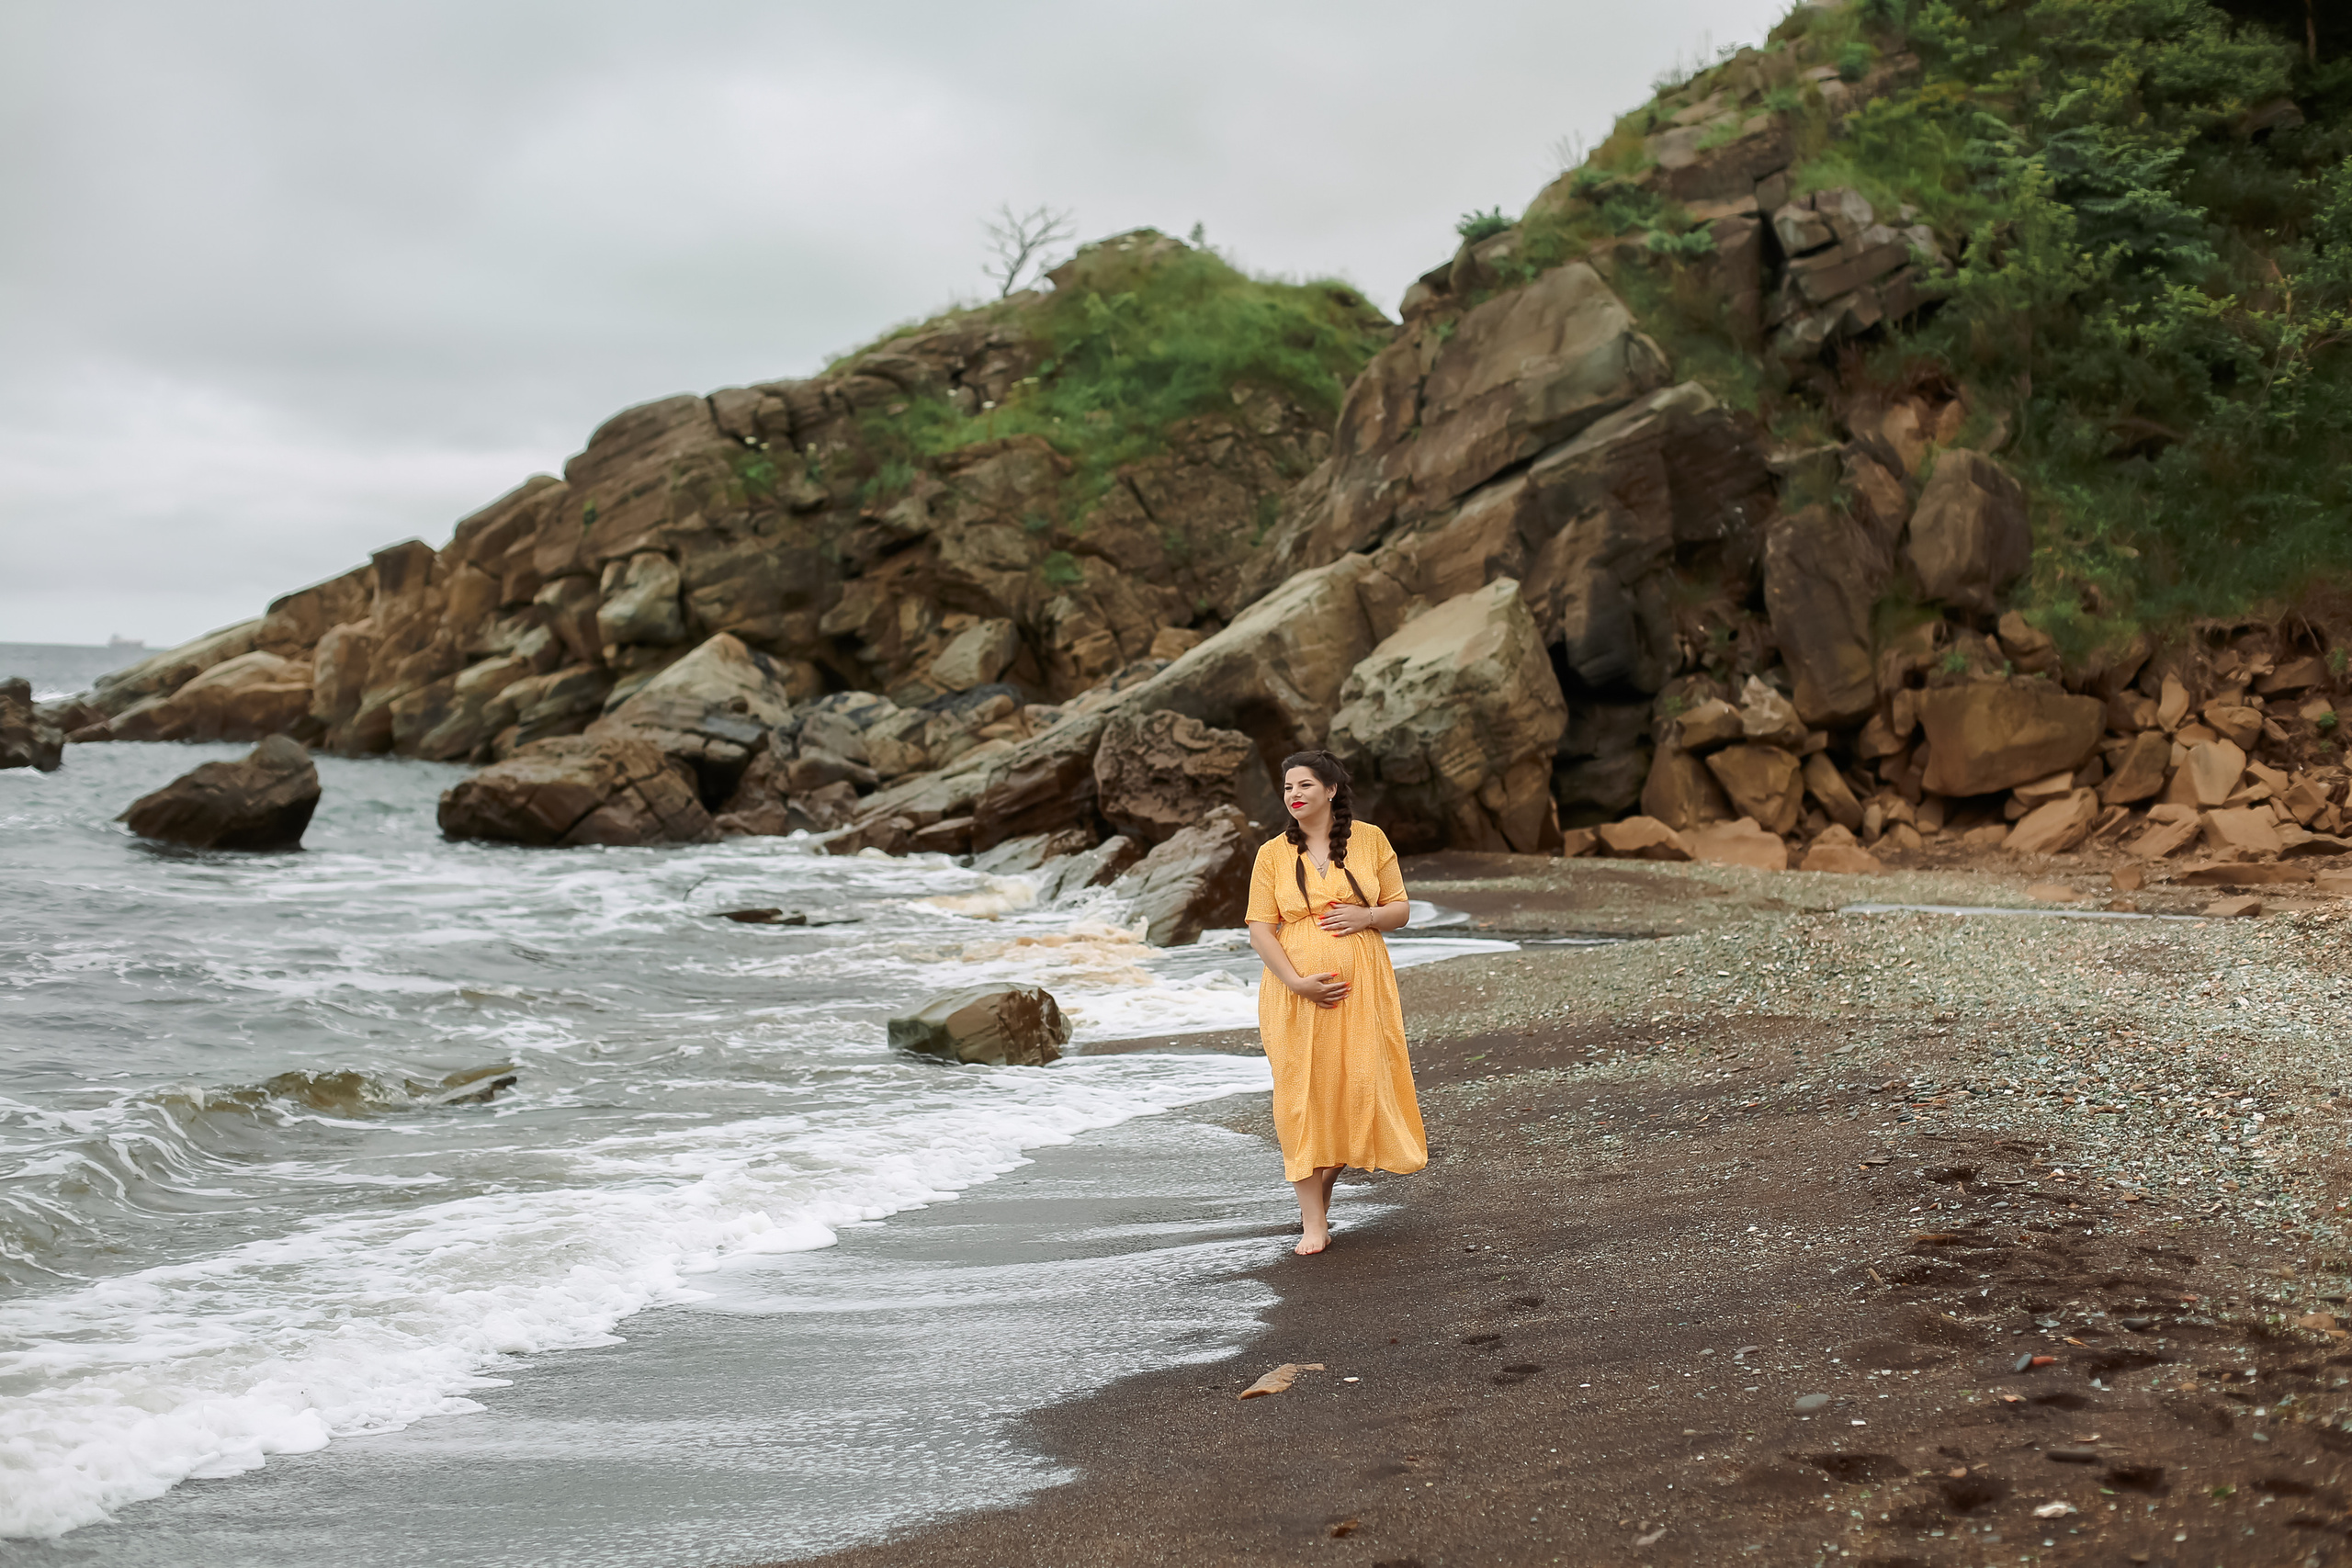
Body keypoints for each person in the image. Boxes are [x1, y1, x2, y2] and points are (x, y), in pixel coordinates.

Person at [1243, 750, 1427, 1256]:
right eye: (1287, 788)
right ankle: (1313, 1223)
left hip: (1362, 989)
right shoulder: (1272, 853)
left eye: (1304, 785)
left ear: (1330, 791)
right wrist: (1297, 982)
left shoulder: (1370, 840)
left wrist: (1365, 918)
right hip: (1293, 993)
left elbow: (1400, 909)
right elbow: (1260, 928)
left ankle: (1317, 1194)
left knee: (1355, 1088)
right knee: (1301, 1095)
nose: (1294, 795)